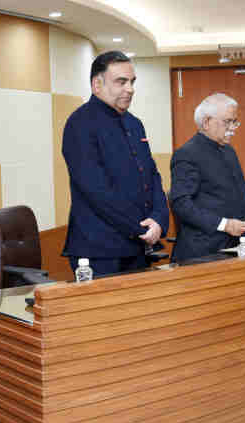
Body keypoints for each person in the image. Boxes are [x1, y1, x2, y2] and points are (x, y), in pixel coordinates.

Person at [61, 51, 169, 277]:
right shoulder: (80, 123)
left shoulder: (135, 124)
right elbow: (96, 190)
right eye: (121, 82)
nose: (130, 89)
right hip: (99, 250)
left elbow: (151, 175)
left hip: (138, 246)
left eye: (132, 82)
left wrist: (159, 219)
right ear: (96, 84)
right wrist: (142, 228)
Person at [169, 93, 245, 263]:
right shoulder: (187, 154)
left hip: (233, 246)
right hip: (203, 251)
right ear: (207, 122)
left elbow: (234, 191)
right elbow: (181, 203)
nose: (233, 128)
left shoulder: (228, 151)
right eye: (227, 122)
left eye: (234, 121)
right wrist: (225, 224)